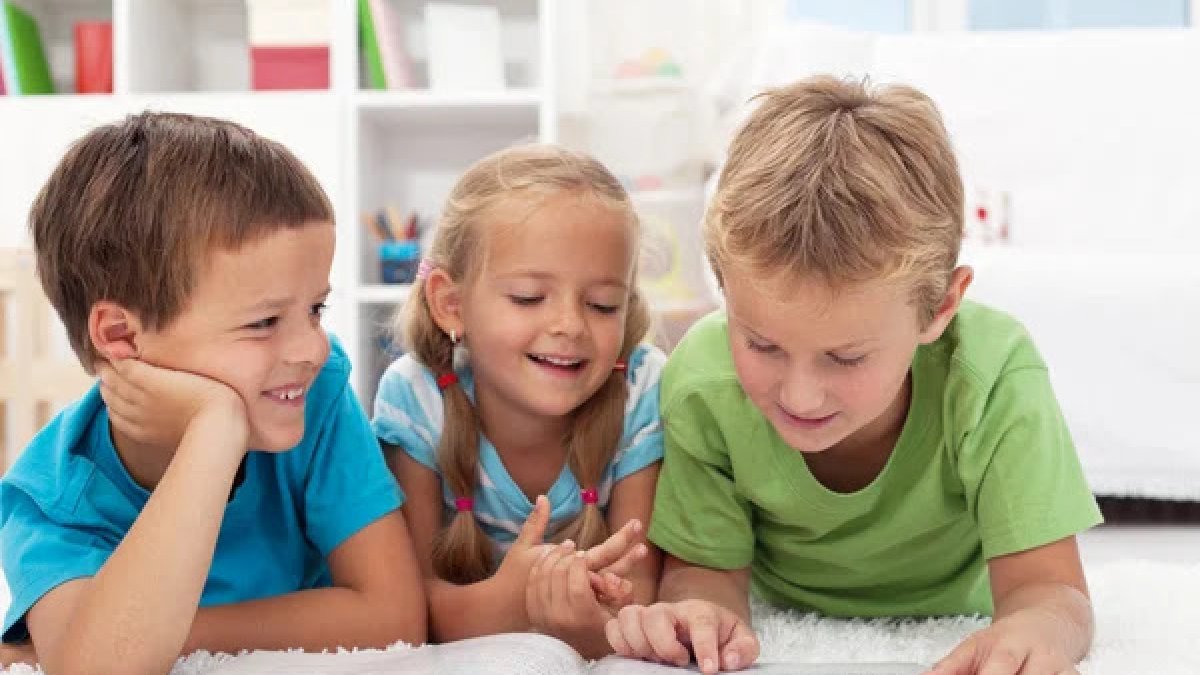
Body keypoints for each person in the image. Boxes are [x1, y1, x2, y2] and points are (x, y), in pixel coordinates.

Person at [606, 76, 1103, 675]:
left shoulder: (993, 375)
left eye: (845, 358)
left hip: (962, 609)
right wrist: (701, 615)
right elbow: (705, 573)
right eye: (761, 343)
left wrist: (1035, 630)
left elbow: (1053, 593)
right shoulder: (702, 384)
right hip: (781, 602)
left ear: (940, 308)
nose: (799, 393)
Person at [0, 112, 426, 675]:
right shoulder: (53, 497)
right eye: (265, 321)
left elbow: (394, 618)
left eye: (315, 309)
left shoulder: (314, 395)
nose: (312, 348)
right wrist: (214, 427)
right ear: (122, 337)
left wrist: (161, 632)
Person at [372, 144, 665, 658]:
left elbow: (639, 600)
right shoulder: (416, 397)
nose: (570, 326)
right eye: (529, 297)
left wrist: (587, 619)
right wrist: (517, 600)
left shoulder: (641, 390)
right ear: (450, 304)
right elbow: (409, 612)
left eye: (603, 304)